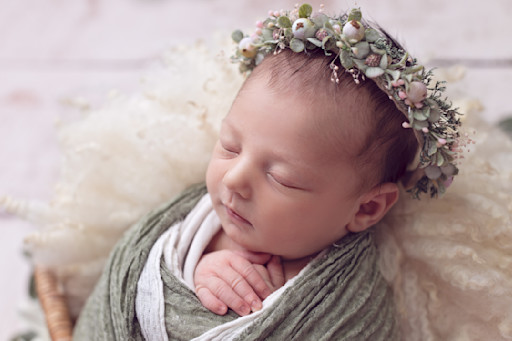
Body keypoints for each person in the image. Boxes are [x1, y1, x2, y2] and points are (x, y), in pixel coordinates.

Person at [73, 4, 461, 340]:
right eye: (230, 146)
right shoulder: (194, 226)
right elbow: (139, 272)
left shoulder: (349, 305)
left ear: (366, 209)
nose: (234, 179)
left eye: (281, 178)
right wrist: (200, 271)